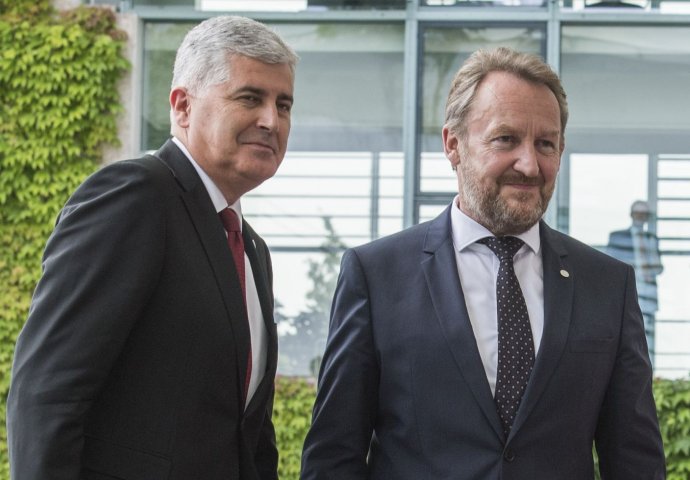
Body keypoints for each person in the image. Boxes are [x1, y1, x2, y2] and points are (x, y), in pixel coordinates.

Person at [301, 47, 664, 479]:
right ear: (453, 145)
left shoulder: (607, 285)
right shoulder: (375, 275)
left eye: (545, 144)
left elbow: (636, 461)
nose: (529, 164)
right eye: (506, 139)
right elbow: (333, 457)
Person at [7, 15, 297, 480]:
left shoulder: (251, 249)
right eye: (249, 98)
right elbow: (47, 392)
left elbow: (248, 430)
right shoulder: (135, 196)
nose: (271, 120)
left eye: (283, 105)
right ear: (182, 107)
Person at [607, 200, 664, 365]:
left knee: (646, 337)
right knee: (626, 335)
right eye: (638, 213)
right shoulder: (617, 237)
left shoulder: (651, 239)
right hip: (626, 292)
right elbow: (610, 263)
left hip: (647, 294)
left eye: (643, 214)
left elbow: (658, 268)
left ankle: (647, 370)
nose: (640, 217)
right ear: (631, 215)